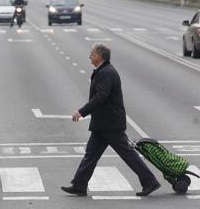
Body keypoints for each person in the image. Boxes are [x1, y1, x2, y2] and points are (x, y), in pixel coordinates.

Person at [61, 43, 160, 197]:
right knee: (91, 155)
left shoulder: (106, 73)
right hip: (103, 123)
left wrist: (81, 112)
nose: (89, 56)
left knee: (127, 154)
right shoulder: (103, 71)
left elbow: (100, 97)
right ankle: (79, 185)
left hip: (110, 123)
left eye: (92, 54)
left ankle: (150, 182)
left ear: (100, 56)